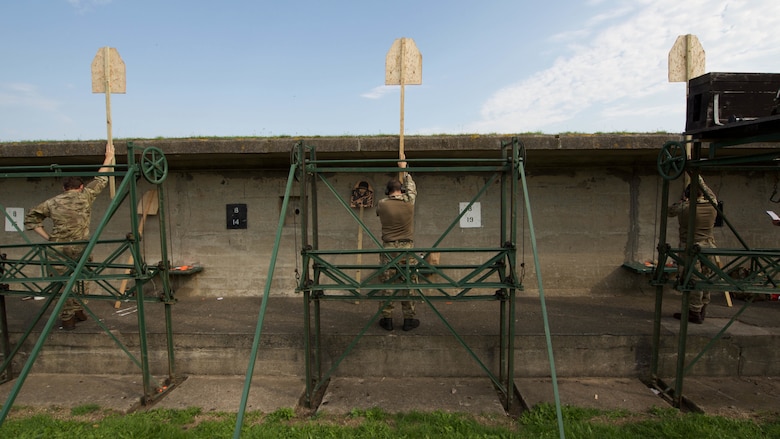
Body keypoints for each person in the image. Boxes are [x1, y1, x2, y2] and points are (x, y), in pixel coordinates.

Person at [24, 143, 115, 330]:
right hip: (80, 247)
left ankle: (68, 318)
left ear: (64, 188)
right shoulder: (85, 196)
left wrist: (48, 237)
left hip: (57, 249)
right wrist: (108, 158)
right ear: (81, 187)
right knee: (82, 279)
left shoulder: (52, 202)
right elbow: (101, 178)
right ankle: (79, 309)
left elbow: (31, 219)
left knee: (62, 284)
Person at [375, 158, 419, 331]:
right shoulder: (409, 202)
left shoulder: (382, 204)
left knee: (388, 285)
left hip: (388, 249)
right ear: (401, 191)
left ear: (387, 191)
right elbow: (412, 190)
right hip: (406, 249)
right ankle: (409, 320)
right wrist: (405, 171)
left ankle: (387, 319)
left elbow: (379, 212)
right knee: (408, 283)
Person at [668, 175, 718, 324]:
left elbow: (670, 211)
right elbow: (708, 191)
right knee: (707, 278)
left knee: (693, 279)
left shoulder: (684, 207)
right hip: (709, 246)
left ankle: (694, 310)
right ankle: (703, 308)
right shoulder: (712, 204)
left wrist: (683, 200)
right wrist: (696, 176)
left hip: (691, 248)